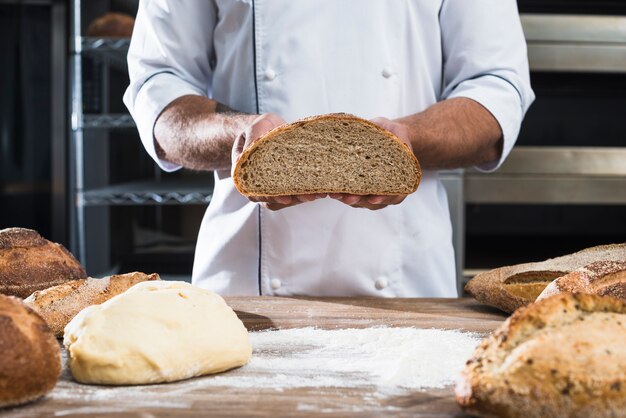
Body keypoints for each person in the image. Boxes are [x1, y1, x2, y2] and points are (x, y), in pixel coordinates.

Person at [124, 0, 534, 297]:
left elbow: (496, 89)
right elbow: (159, 91)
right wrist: (242, 136)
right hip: (248, 291)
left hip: (407, 289)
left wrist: (403, 143)